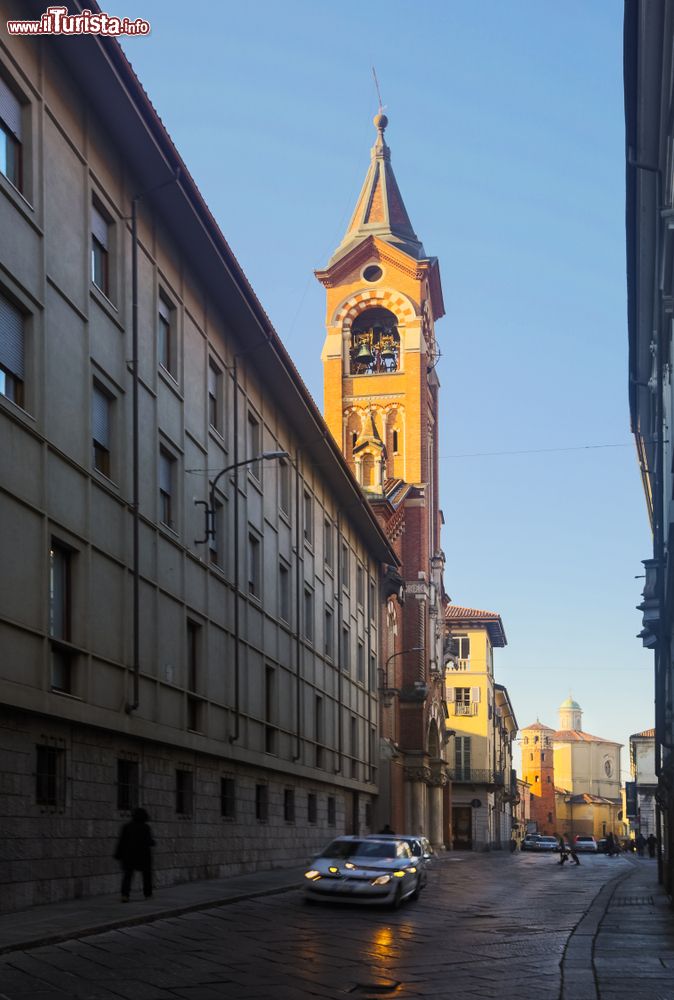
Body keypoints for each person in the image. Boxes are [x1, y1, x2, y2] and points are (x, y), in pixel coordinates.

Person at [114, 807, 155, 902]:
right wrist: (153, 842)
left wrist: (118, 854)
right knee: (146, 876)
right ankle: (148, 894)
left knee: (128, 876)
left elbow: (122, 841)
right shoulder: (145, 827)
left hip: (129, 855)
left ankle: (125, 895)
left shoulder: (126, 826)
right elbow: (149, 841)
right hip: (143, 855)